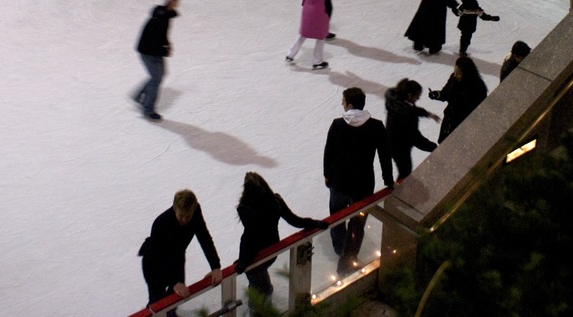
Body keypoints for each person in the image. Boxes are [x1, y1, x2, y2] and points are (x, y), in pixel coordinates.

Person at [322, 87, 393, 275]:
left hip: (339, 183)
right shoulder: (376, 126)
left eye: (343, 101)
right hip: (363, 186)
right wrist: (388, 180)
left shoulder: (337, 125)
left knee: (337, 218)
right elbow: (384, 155)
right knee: (358, 223)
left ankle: (340, 248)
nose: (342, 104)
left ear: (350, 105)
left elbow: (328, 153)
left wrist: (327, 176)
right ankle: (348, 258)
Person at [235, 172, 327, 304]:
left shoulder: (244, 209)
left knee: (256, 284)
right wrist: (316, 223)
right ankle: (265, 294)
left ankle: (258, 306)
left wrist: (243, 261)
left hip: (253, 256)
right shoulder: (275, 201)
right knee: (261, 279)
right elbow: (295, 220)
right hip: (272, 250)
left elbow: (249, 237)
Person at [138, 189, 223, 315]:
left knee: (175, 301)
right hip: (154, 265)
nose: (184, 220)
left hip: (176, 260)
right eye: (181, 215)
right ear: (174, 208)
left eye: (187, 216)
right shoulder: (161, 223)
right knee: (158, 302)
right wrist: (176, 281)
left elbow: (204, 237)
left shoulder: (195, 213)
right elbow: (161, 256)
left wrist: (215, 266)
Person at [133, 0, 179, 120]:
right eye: (176, 0)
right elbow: (154, 39)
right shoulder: (159, 19)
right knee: (156, 79)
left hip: (154, 51)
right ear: (170, 2)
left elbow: (163, 35)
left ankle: (139, 95)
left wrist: (168, 44)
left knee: (161, 75)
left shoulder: (165, 16)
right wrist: (164, 50)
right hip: (148, 52)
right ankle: (148, 109)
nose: (178, 2)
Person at [384, 79, 439, 180]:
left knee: (405, 170)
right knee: (405, 171)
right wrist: (433, 148)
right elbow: (415, 138)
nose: (418, 98)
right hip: (398, 146)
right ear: (409, 95)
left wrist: (428, 114)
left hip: (396, 141)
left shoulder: (398, 103)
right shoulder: (404, 115)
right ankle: (400, 192)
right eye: (417, 96)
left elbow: (413, 110)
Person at [286, 0, 339, 69]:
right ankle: (317, 61)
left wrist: (305, 7)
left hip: (307, 10)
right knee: (321, 36)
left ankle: (290, 55)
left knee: (303, 34)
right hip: (318, 13)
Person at [428, 56, 488, 142]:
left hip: (464, 125)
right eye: (454, 72)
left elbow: (478, 109)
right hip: (450, 119)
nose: (455, 75)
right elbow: (445, 93)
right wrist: (436, 95)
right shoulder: (454, 78)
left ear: (467, 73)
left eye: (458, 73)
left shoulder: (478, 87)